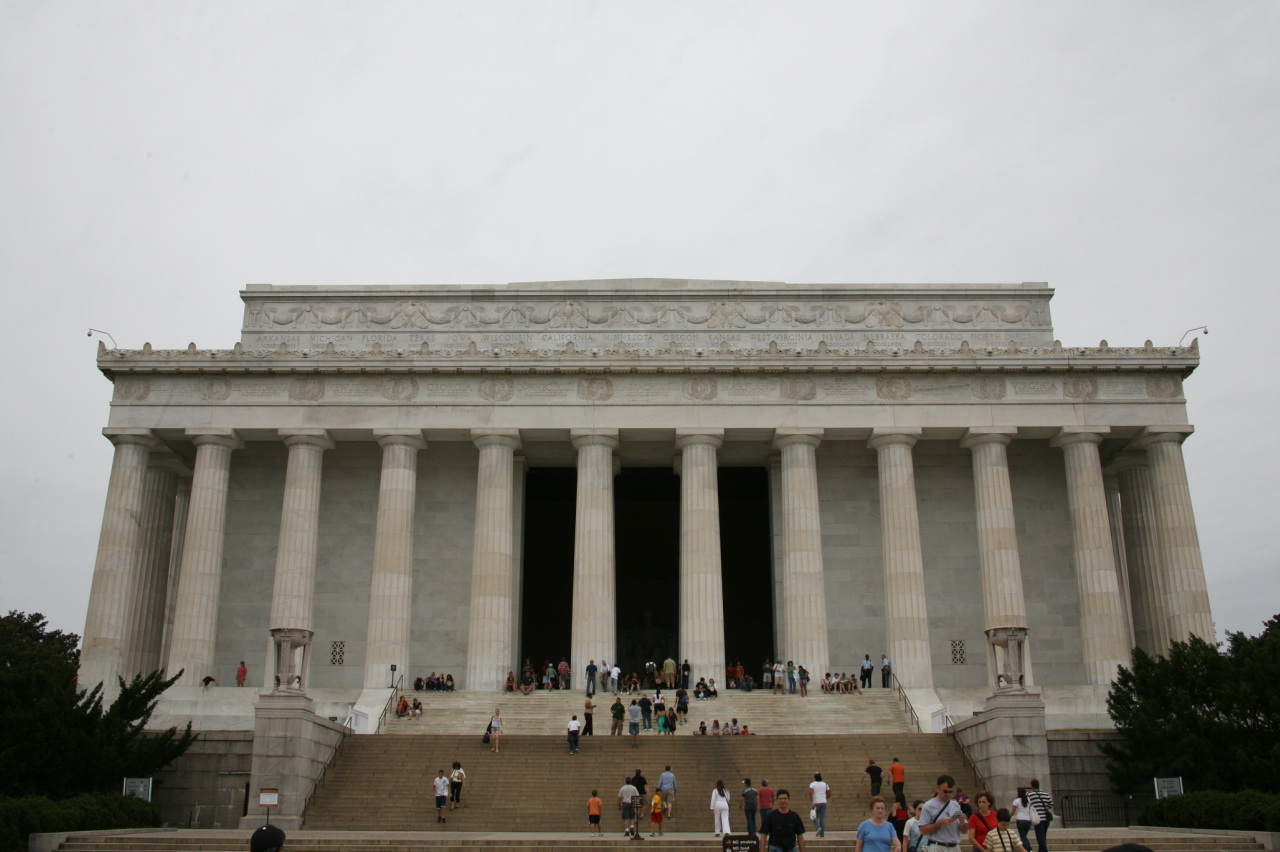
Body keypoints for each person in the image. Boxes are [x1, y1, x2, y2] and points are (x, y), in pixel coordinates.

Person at [917, 774, 967, 849]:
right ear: (938, 788)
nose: (948, 794)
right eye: (945, 791)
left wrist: (963, 822)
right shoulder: (928, 805)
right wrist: (940, 824)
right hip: (937, 846)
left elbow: (964, 831)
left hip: (954, 846)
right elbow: (923, 831)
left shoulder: (956, 805)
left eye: (950, 792)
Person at [1026, 778, 1054, 852]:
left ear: (1032, 786)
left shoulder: (1029, 795)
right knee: (1043, 836)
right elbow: (1051, 804)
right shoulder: (1045, 794)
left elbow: (1026, 804)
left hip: (1037, 818)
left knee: (1040, 838)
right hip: (1046, 818)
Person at [808, 772, 831, 838]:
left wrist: (812, 801)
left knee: (812, 816)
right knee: (822, 818)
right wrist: (825, 798)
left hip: (816, 802)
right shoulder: (825, 784)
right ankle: (822, 834)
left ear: (815, 777)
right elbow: (829, 793)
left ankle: (818, 827)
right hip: (823, 802)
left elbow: (810, 792)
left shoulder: (812, 784)